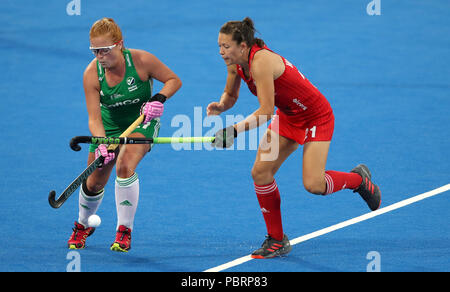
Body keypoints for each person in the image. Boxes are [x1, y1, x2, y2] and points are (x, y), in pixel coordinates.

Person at [207, 17, 381, 259]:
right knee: (260, 172)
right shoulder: (235, 64)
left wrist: (234, 130)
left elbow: (266, 111)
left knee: (314, 185)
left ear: (243, 46)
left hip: (316, 117)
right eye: (219, 46)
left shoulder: (261, 63)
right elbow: (230, 93)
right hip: (289, 116)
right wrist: (221, 106)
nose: (221, 51)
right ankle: (277, 240)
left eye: (226, 46)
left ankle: (358, 179)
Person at [67, 17, 182, 252]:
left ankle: (124, 231)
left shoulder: (141, 60)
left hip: (142, 123)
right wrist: (101, 143)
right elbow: (94, 118)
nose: (100, 56)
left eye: (105, 50)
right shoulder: (91, 74)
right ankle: (82, 224)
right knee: (94, 180)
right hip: (108, 128)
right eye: (95, 51)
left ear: (120, 44)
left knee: (124, 165)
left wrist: (158, 98)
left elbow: (173, 80)